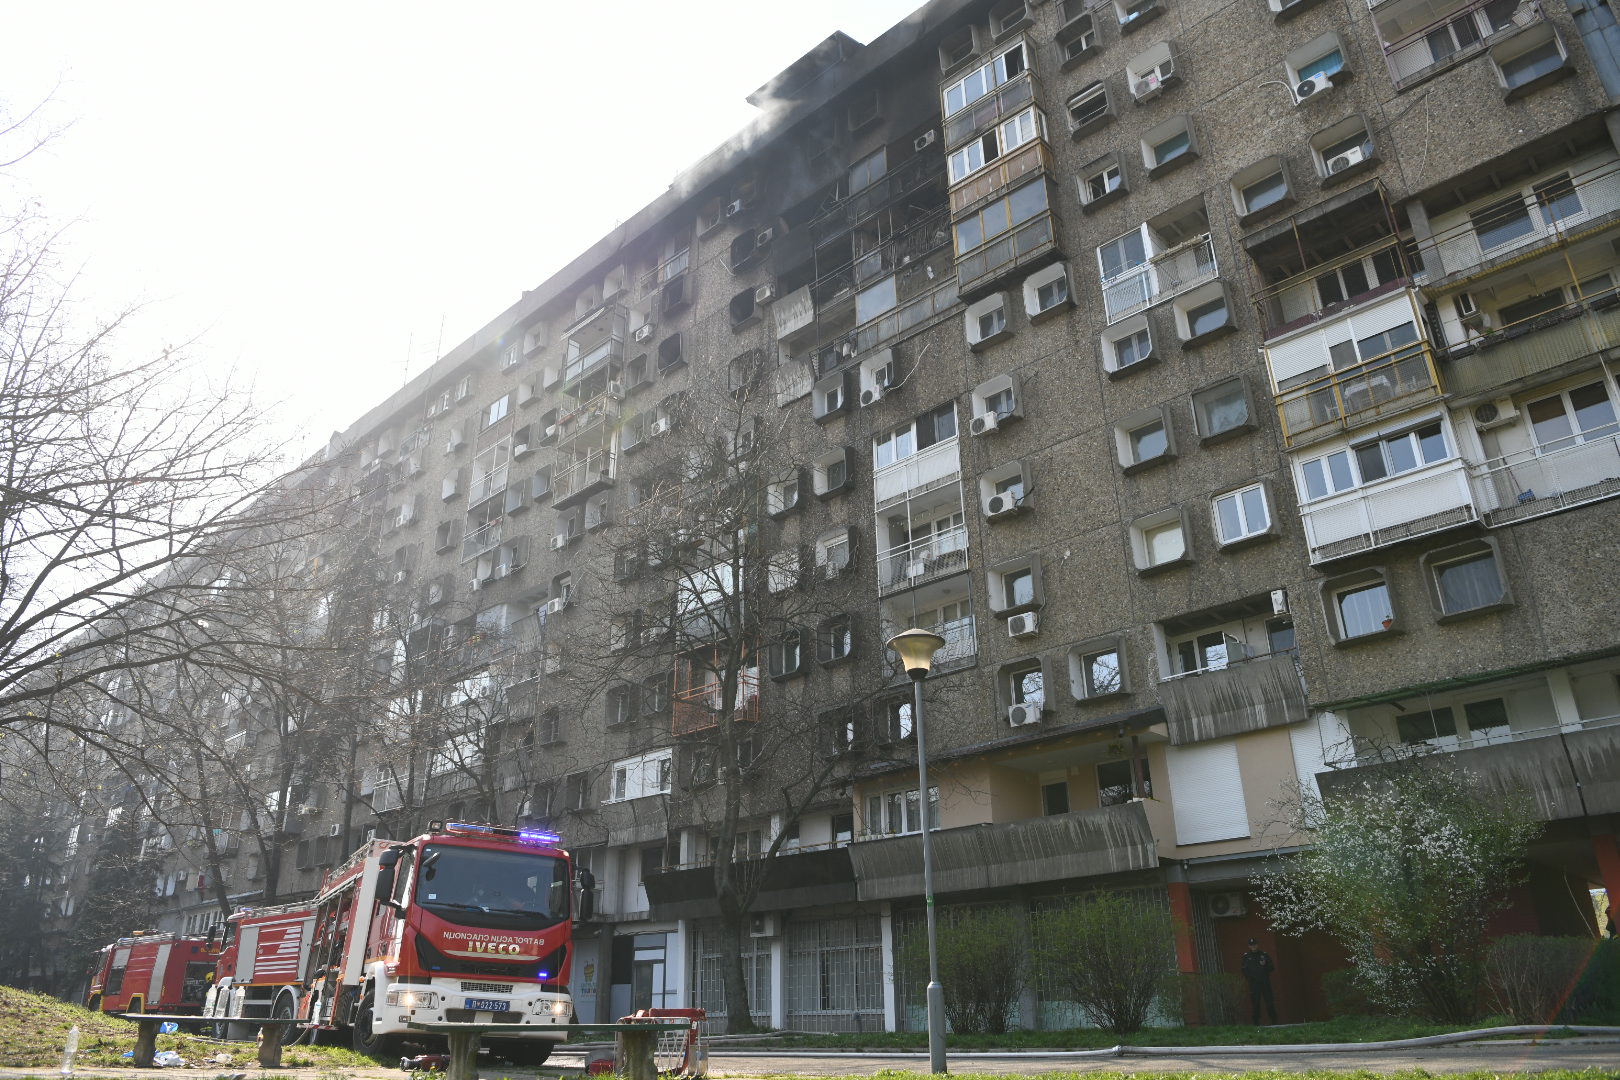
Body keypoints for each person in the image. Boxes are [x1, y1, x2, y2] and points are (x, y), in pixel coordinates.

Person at [1241, 937, 1277, 1025]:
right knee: (1255, 1003)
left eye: (1254, 944)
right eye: (1251, 945)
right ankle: (1256, 1023)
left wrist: (1265, 965)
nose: (1253, 946)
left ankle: (1274, 1021)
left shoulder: (1264, 955)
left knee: (1269, 1001)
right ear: (1249, 946)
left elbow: (1271, 967)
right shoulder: (1246, 956)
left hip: (1265, 982)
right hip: (1254, 983)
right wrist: (1250, 978)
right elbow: (1244, 970)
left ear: (1257, 945)